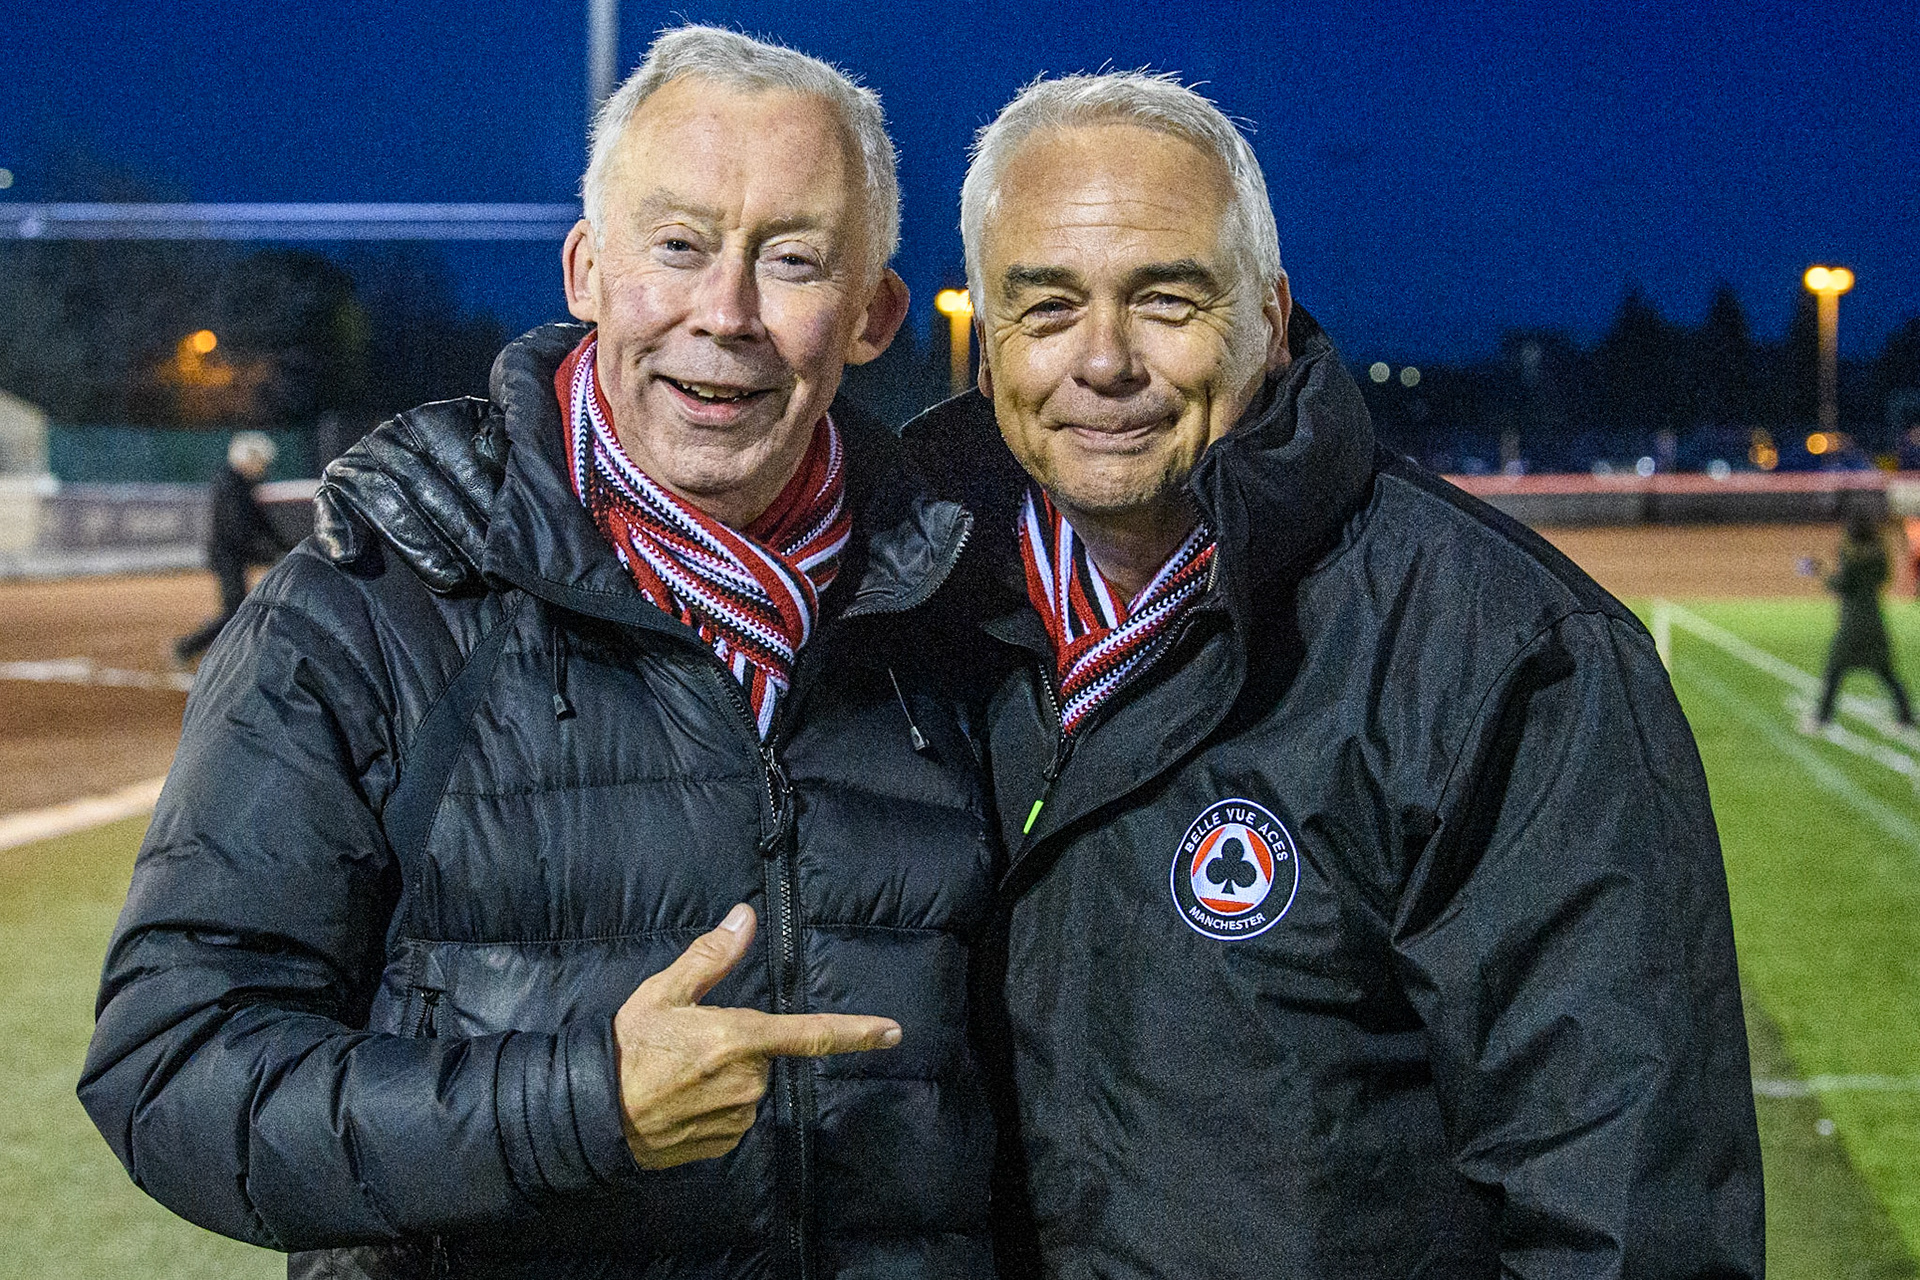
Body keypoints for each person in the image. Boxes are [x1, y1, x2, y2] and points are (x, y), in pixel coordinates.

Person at [314, 69, 1764, 1280]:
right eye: (1047, 302)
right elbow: (663, 497)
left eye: (1168, 298)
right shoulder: (905, 590)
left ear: (1268, 311)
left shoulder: (1497, 652)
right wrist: (479, 480)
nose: (1105, 360)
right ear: (984, 332)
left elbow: (1627, 1212)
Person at [81, 27, 1001, 1280]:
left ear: (877, 314)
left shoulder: (958, 622)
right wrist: (579, 1103)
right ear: (587, 268)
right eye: (676, 246)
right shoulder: (363, 609)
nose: (722, 314)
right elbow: (172, 1067)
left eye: (792, 260)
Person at [172, 430, 292, 664]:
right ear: (248, 458)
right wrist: (270, 552)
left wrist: (282, 546)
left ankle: (222, 654)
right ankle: (187, 648)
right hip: (227, 556)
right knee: (234, 612)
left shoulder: (240, 483)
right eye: (260, 461)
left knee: (237, 610)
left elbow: (260, 523)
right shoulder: (230, 483)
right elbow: (238, 529)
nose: (263, 467)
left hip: (234, 555)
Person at [1812, 512, 1913, 728]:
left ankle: (1821, 718)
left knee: (1834, 670)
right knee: (1886, 672)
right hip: (1874, 619)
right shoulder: (1879, 554)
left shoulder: (1848, 555)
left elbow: (1842, 585)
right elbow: (1884, 577)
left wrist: (1822, 573)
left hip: (1852, 622)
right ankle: (1905, 717)